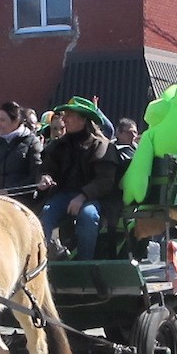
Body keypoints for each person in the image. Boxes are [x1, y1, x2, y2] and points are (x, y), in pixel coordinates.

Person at [37, 96, 118, 261]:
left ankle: (84, 264)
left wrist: (82, 196)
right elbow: (47, 169)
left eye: (69, 115)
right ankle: (42, 262)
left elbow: (105, 181)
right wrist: (45, 177)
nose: (64, 119)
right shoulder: (58, 145)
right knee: (46, 213)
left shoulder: (102, 146)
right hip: (63, 195)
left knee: (88, 216)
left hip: (93, 198)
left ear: (83, 119)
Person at [0, 100, 43, 195]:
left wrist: (10, 191)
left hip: (20, 198)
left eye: (2, 120)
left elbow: (36, 175)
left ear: (16, 121)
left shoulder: (32, 142)